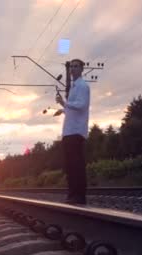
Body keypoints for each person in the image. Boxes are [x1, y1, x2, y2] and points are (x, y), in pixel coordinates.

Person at [55, 59, 90, 205]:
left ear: (82, 69)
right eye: (71, 67)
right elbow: (73, 108)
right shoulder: (74, 87)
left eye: (76, 67)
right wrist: (63, 110)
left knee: (76, 164)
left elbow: (82, 105)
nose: (73, 69)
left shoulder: (82, 86)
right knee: (69, 164)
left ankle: (79, 196)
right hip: (69, 131)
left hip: (76, 131)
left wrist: (64, 103)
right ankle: (72, 195)